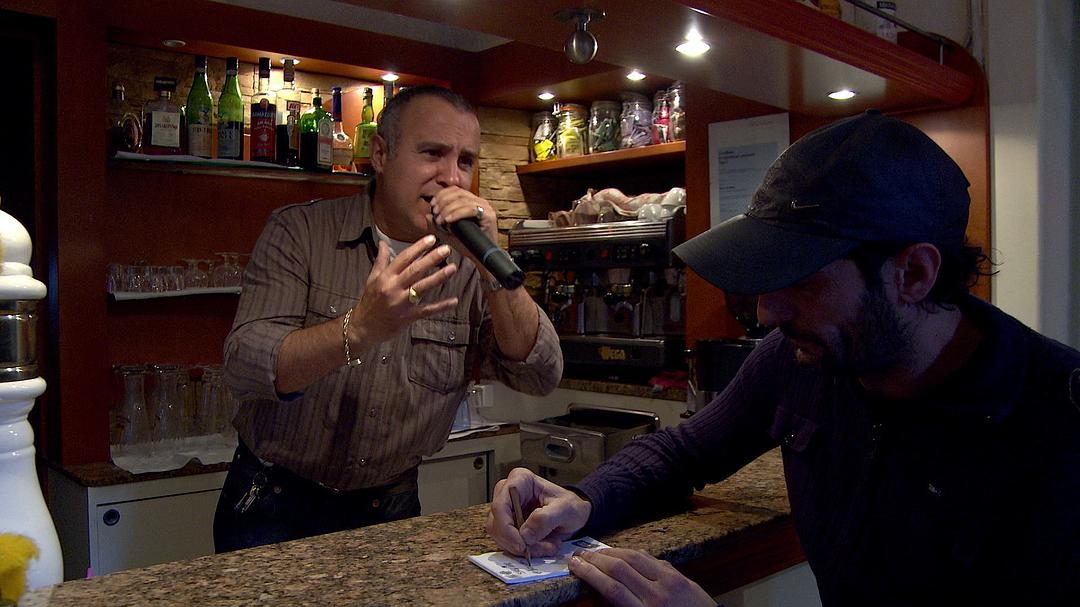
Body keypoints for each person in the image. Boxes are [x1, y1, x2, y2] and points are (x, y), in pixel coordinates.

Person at [486, 110, 1080, 605]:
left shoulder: (1055, 427)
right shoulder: (798, 361)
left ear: (914, 274)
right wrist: (584, 500)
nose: (767, 312)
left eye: (802, 278)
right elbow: (684, 451)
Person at [215, 85, 562, 552]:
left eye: (465, 161)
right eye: (433, 153)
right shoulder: (300, 231)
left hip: (389, 508)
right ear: (380, 154)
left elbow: (539, 374)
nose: (451, 178)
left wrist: (491, 265)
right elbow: (245, 364)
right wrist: (360, 329)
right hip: (273, 503)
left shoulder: (469, 263)